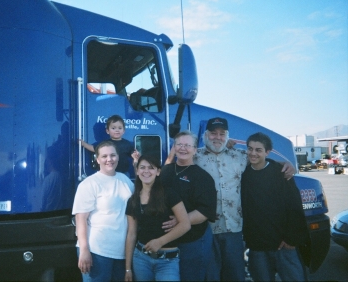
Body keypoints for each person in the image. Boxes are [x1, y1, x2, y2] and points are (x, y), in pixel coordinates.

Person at [164, 117, 296, 281]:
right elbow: (171, 167)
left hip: (234, 229)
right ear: (206, 135)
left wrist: (287, 164)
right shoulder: (195, 156)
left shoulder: (240, 156)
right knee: (210, 276)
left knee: (235, 276)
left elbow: (261, 159)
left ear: (227, 136)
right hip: (206, 231)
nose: (217, 137)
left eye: (222, 134)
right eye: (213, 133)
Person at [241, 132, 308, 281]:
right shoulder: (243, 174)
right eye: (250, 149)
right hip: (257, 245)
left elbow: (294, 207)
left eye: (258, 150)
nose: (253, 153)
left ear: (267, 152)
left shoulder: (281, 174)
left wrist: (292, 239)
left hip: (282, 245)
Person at [72, 140, 134, 281]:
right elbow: (80, 219)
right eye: (104, 156)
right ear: (97, 159)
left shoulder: (125, 180)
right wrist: (84, 250)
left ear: (118, 157)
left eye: (113, 155)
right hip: (97, 252)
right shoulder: (89, 184)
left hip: (122, 253)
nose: (109, 159)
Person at [160, 131, 217, 281]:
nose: (183, 148)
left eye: (187, 145)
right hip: (168, 242)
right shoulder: (165, 171)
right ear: (174, 147)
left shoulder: (203, 178)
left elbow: (205, 211)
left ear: (195, 150)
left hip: (193, 242)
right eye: (179, 144)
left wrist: (179, 220)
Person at [125, 155, 191, 281]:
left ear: (158, 172)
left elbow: (185, 224)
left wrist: (160, 241)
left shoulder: (169, 194)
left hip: (168, 261)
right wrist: (128, 268)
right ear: (137, 171)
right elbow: (131, 234)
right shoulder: (133, 200)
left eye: (151, 168)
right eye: (142, 167)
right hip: (141, 259)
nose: (146, 171)